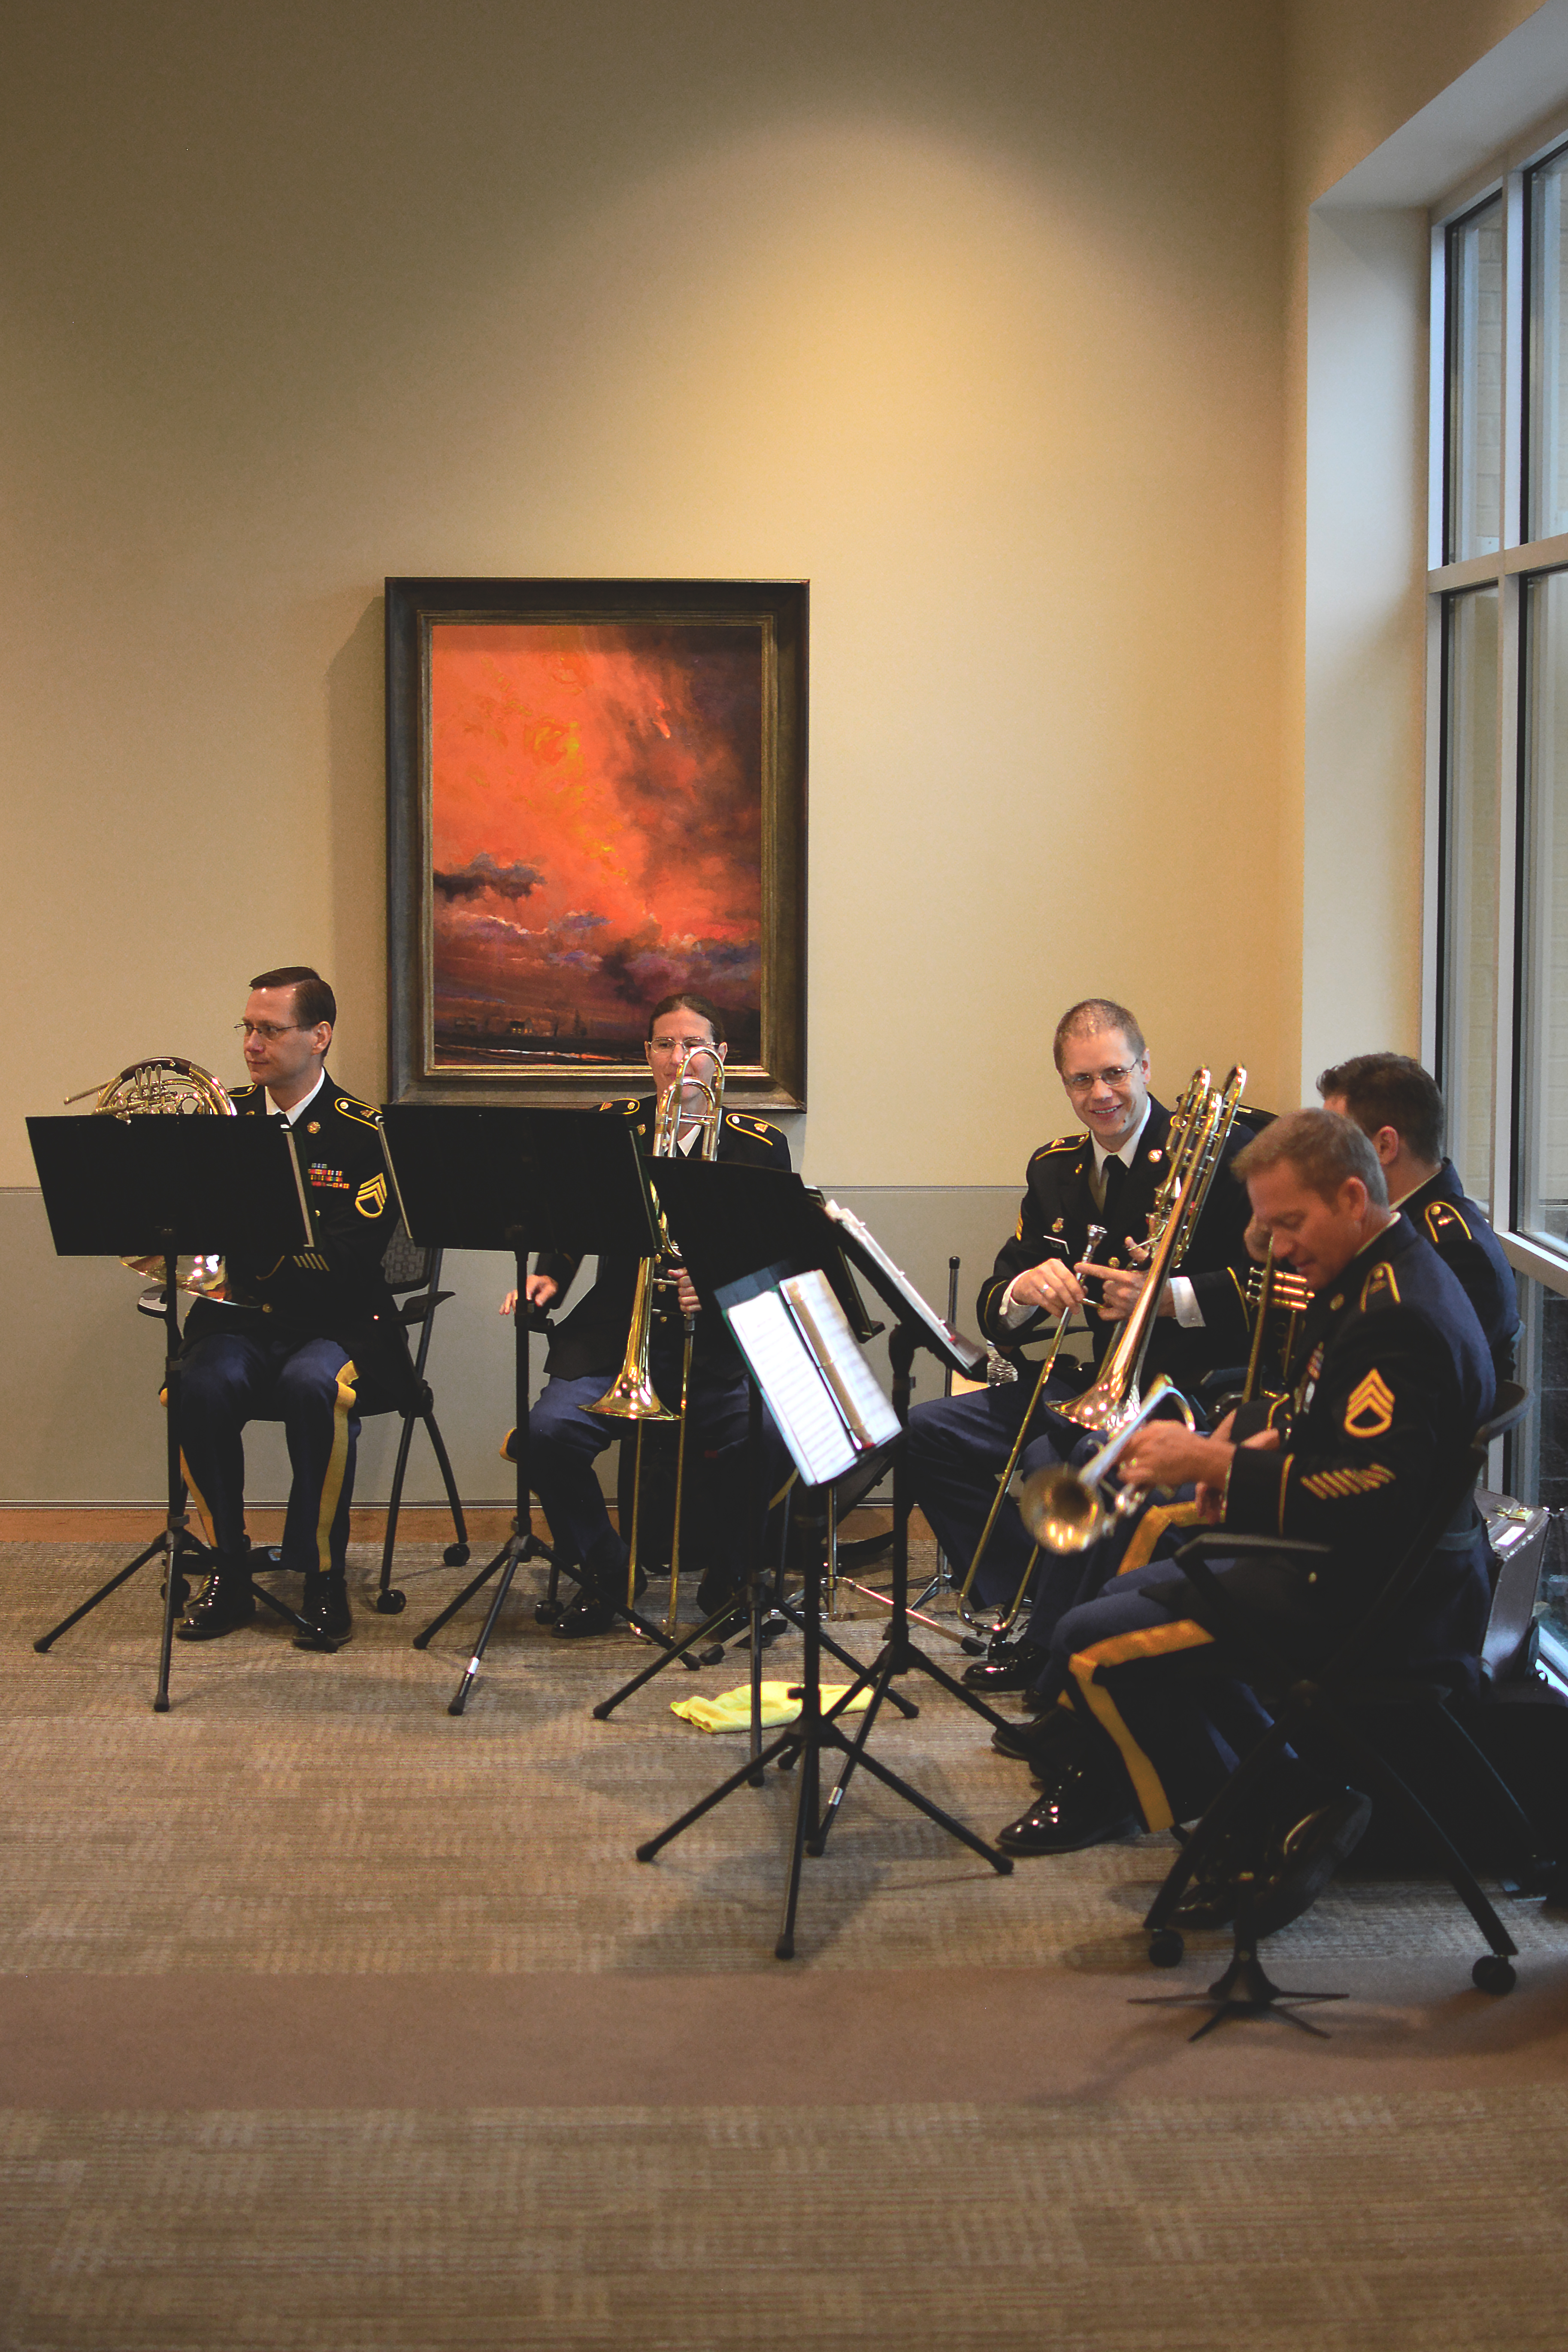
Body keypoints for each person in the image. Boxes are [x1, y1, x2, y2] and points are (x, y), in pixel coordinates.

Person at [993, 1110, 1496, 1935]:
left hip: (1380, 1596)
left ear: (1349, 1196)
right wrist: (1258, 1444)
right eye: (1263, 1222)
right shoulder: (1370, 1272)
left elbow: (1371, 1491)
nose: (1274, 1244)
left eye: (1287, 1223)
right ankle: (1274, 1808)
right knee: (1141, 1568)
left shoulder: (1394, 1311)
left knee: (1092, 1647)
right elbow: (1333, 1428)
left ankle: (1283, 1807)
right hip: (1356, 1558)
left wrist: (1217, 1466)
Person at [906, 998, 1256, 1689]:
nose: (1100, 1095)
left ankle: (1052, 1642)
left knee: (1069, 1455)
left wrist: (1168, 1300)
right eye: (1080, 1081)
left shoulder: (1228, 1152)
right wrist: (1022, 1291)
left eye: (1114, 1074)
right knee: (925, 1430)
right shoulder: (1053, 1169)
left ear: (1145, 1067)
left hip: (1189, 1392)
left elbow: (1276, 1284)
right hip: (1092, 1383)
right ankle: (1029, 1591)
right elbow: (997, 1303)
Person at [509, 992, 790, 1638]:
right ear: (648, 1055)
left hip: (715, 1350)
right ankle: (609, 1571)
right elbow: (572, 1220)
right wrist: (551, 1272)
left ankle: (733, 1577)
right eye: (664, 1045)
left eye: (694, 1045)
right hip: (616, 1342)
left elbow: (769, 1253)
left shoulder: (758, 1147)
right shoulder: (611, 1127)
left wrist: (717, 1288)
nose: (678, 1058)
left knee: (775, 1436)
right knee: (545, 1435)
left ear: (720, 1058)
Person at [176, 966, 409, 1650]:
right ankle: (229, 1566)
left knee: (314, 1387)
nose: (252, 1043)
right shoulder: (223, 1126)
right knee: (199, 1382)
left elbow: (345, 1264)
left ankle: (321, 1574)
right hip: (240, 1320)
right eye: (247, 1028)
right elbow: (193, 1234)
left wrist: (254, 1251)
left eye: (270, 1029)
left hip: (335, 1324)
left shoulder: (366, 1134)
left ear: (320, 1037)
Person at [1318, 1052, 1519, 1383]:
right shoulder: (1394, 1221)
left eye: (1337, 1143)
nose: (1325, 1160)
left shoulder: (1455, 1251)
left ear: (1385, 1146)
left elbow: (1407, 1380)